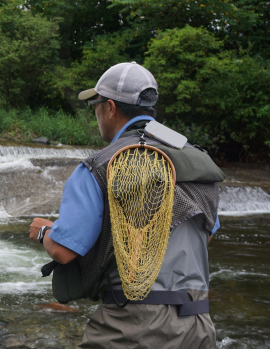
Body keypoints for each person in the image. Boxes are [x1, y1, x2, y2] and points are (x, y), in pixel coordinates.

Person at [29, 62, 224, 348]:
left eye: (95, 105)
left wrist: (46, 232)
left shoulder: (99, 166)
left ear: (109, 108)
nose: (96, 113)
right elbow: (202, 236)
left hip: (133, 328)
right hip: (198, 323)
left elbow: (63, 251)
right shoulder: (196, 162)